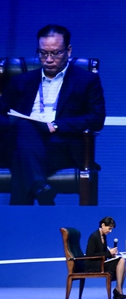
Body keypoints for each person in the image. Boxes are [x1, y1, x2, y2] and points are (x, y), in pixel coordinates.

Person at [0, 24, 106, 205]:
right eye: (43, 53)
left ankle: (37, 193)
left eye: (55, 53)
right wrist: (15, 123)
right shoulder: (20, 81)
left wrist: (56, 125)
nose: (48, 59)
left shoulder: (86, 80)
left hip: (59, 146)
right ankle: (40, 188)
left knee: (20, 157)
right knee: (24, 127)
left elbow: (96, 118)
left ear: (68, 51)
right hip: (18, 140)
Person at [85, 216, 126, 299]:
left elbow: (103, 253)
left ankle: (118, 292)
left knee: (124, 268)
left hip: (101, 262)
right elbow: (90, 255)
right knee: (122, 260)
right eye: (109, 228)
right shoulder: (94, 236)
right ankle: (118, 291)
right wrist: (108, 253)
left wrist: (111, 255)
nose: (110, 231)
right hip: (93, 265)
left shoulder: (103, 236)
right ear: (103, 225)